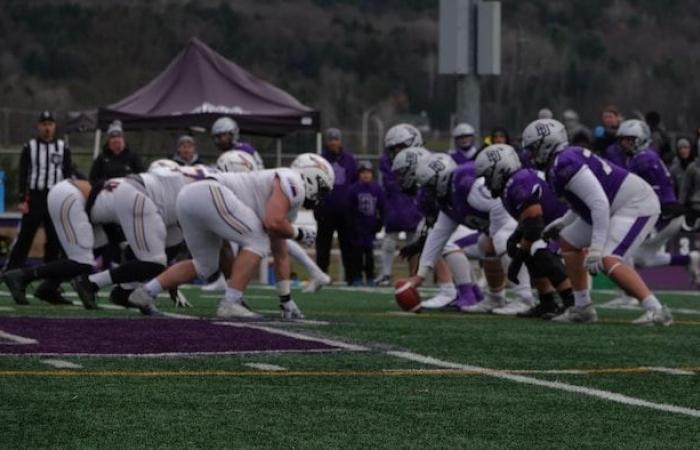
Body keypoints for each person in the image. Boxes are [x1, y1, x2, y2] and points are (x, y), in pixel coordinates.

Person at [129, 154, 334, 320]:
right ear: (312, 176)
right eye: (322, 189)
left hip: (188, 198)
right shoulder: (293, 180)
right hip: (209, 192)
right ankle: (231, 302)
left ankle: (145, 293)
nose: (320, 197)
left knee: (204, 266)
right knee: (257, 241)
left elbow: (280, 253)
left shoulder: (287, 201)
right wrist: (300, 233)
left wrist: (286, 300)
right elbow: (272, 222)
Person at [521, 118, 673, 325]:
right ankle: (582, 307)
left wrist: (595, 248)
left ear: (547, 143)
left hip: (634, 204)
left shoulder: (565, 161)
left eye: (533, 148)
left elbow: (598, 202)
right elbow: (584, 201)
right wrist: (563, 223)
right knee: (568, 241)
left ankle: (657, 310)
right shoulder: (559, 162)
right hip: (614, 205)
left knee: (608, 259)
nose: (531, 154)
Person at [404, 153, 534, 314]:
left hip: (530, 220)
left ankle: (525, 298)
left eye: (429, 186)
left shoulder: (467, 185)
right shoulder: (448, 198)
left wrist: (493, 234)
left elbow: (499, 205)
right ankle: (495, 297)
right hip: (514, 223)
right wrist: (420, 276)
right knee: (486, 244)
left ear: (442, 179)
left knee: (500, 239)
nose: (427, 192)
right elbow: (438, 236)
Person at [475, 144, 575, 318]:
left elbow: (535, 224)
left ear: (500, 169)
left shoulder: (518, 181)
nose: (486, 182)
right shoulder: (512, 183)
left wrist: (518, 257)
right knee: (529, 246)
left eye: (488, 176)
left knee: (537, 248)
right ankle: (547, 302)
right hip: (553, 227)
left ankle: (571, 303)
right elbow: (527, 220)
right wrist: (516, 238)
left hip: (568, 226)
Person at [614, 120, 700, 289]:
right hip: (666, 213)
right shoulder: (641, 157)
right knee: (642, 259)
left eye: (628, 139)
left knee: (626, 251)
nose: (624, 143)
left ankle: (628, 295)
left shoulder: (643, 159)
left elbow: (651, 194)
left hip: (665, 214)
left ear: (640, 139)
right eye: (622, 139)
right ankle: (691, 259)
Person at [3, 111, 71, 277]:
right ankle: (11, 272)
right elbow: (23, 173)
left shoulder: (63, 147)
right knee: (25, 237)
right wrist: (22, 199)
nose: (47, 128)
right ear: (38, 126)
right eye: (44, 124)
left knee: (54, 239)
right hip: (35, 197)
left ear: (54, 127)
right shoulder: (30, 147)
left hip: (55, 198)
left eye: (50, 124)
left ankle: (50, 274)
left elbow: (67, 174)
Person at [374, 124, 424, 286]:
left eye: (401, 146)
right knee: (389, 240)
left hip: (414, 204)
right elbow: (391, 184)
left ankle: (414, 275)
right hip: (395, 203)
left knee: (414, 241)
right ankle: (386, 273)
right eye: (394, 148)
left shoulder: (423, 158)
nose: (397, 151)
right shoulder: (386, 161)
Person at [314, 128, 358, 284]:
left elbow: (355, 184)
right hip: (326, 209)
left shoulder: (350, 160)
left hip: (345, 210)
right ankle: (321, 277)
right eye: (331, 139)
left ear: (340, 141)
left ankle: (351, 278)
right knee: (323, 247)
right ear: (327, 141)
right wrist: (317, 206)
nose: (333, 142)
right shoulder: (320, 160)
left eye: (336, 139)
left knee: (348, 246)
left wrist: (353, 207)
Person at [347, 161, 384, 285]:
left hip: (370, 226)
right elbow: (349, 209)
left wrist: (380, 222)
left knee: (369, 255)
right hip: (357, 227)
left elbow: (382, 207)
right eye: (363, 173)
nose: (366, 175)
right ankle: (356, 277)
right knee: (356, 254)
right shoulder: (353, 189)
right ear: (359, 174)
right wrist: (352, 225)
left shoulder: (377, 189)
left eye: (368, 172)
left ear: (372, 174)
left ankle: (370, 277)